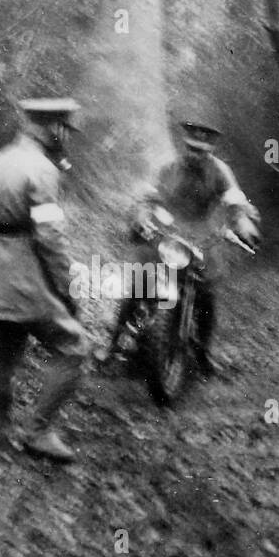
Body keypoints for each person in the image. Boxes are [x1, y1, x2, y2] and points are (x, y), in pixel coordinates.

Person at [0, 98, 90, 463]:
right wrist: (68, 286)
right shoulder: (42, 169)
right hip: (26, 275)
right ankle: (37, 432)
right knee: (74, 347)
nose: (66, 139)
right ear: (54, 128)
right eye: (65, 131)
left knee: (4, 354)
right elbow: (50, 239)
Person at [103, 118, 260, 375]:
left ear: (211, 151)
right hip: (167, 231)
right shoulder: (169, 168)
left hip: (202, 234)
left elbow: (236, 201)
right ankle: (113, 346)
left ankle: (204, 353)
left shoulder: (220, 172)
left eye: (201, 151)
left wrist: (243, 222)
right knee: (138, 285)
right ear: (183, 145)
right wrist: (142, 214)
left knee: (207, 293)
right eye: (191, 148)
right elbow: (148, 196)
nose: (194, 155)